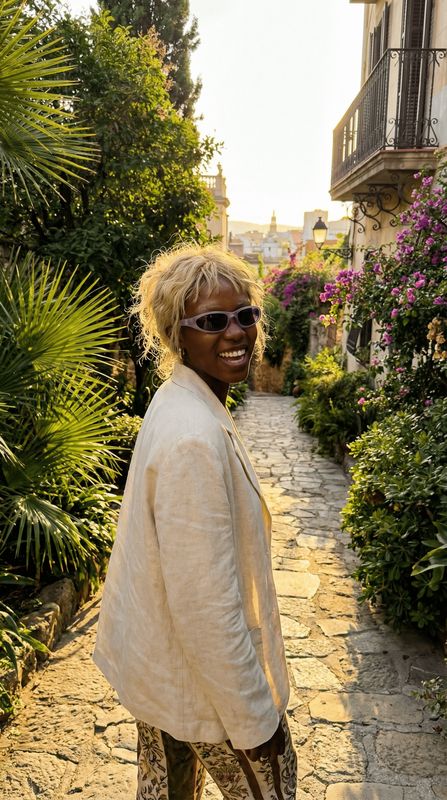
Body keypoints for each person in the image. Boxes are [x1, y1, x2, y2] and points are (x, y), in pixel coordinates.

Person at [93, 244, 298, 799]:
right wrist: (257, 721)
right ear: (177, 334)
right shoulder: (193, 437)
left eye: (245, 315)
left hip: (163, 667)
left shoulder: (179, 399)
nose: (236, 333)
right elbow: (207, 605)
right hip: (206, 687)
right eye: (211, 321)